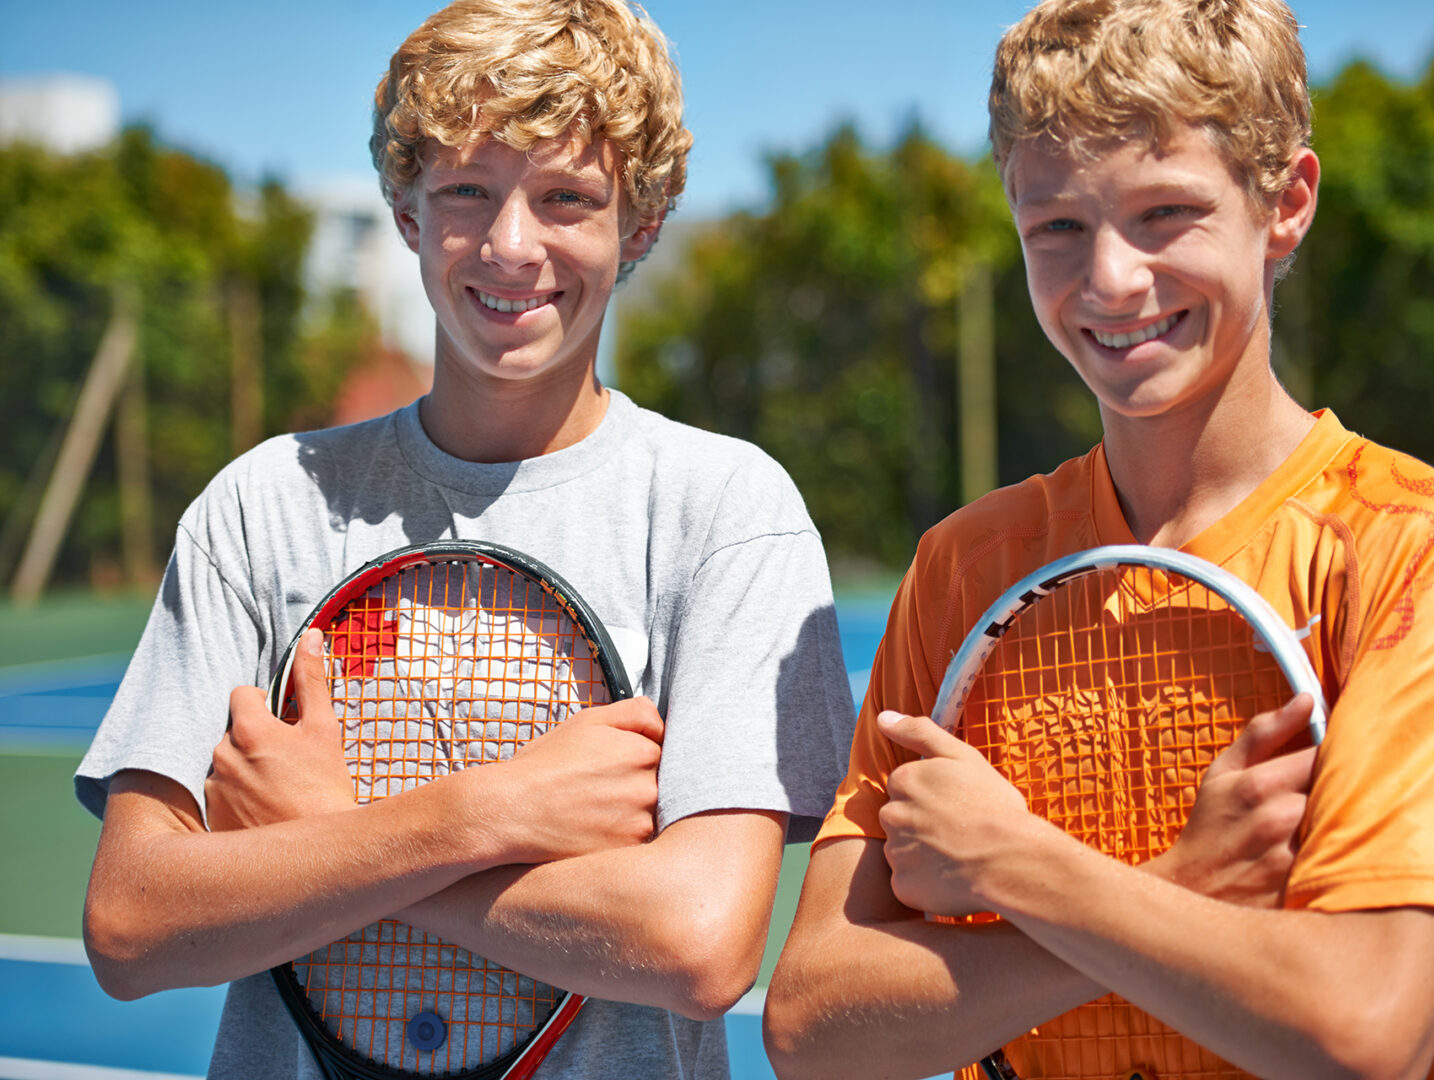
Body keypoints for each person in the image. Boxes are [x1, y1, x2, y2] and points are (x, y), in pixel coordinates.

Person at [762, 1, 1434, 1077]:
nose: (1112, 280)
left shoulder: (1411, 541)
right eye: (1058, 227)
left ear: (1287, 204)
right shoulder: (963, 567)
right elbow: (813, 1030)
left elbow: (1363, 1026)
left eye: (1165, 213)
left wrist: (1014, 865)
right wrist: (1182, 885)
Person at [75, 2, 856, 1077]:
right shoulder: (260, 507)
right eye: (465, 194)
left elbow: (698, 940)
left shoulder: (725, 511)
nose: (510, 246)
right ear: (405, 209)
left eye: (567, 199)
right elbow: (129, 923)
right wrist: (478, 815)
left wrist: (329, 829)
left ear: (643, 224)